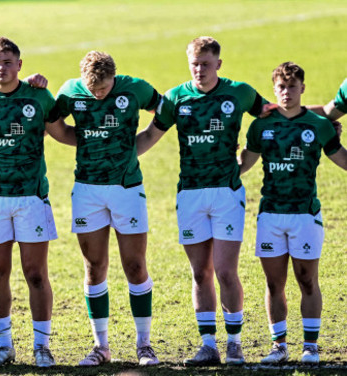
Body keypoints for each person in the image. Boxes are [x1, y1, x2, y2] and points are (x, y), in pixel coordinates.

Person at [135, 36, 269, 366]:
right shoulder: (176, 97)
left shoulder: (239, 92)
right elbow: (152, 134)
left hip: (226, 193)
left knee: (225, 271)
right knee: (200, 274)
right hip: (190, 194)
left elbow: (271, 115)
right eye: (194, 64)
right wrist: (116, 155)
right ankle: (208, 345)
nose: (200, 70)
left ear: (218, 64)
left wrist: (246, 161)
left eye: (206, 64)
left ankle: (235, 344)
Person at [0, 37, 74, 368]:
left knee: (36, 274)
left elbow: (61, 132)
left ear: (19, 65)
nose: (1, 68)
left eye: (8, 62)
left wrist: (99, 142)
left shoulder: (37, 96)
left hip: (31, 197)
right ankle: (4, 346)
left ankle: (42, 347)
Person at [53, 51, 160, 366]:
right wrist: (84, 140)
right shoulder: (70, 91)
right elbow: (54, 125)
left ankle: (144, 345)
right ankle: (101, 347)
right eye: (93, 90)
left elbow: (165, 109)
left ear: (115, 77)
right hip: (87, 190)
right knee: (94, 267)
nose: (98, 94)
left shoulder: (135, 88)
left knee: (135, 266)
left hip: (127, 188)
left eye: (104, 88)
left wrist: (144, 141)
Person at [238, 62, 347, 365]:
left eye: (292, 86)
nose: (286, 92)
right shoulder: (260, 126)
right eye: (281, 87)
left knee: (307, 280)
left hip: (305, 215)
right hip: (271, 214)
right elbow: (243, 165)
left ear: (303, 88)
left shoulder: (318, 125)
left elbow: (342, 158)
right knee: (274, 284)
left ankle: (310, 346)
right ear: (274, 90)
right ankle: (279, 345)